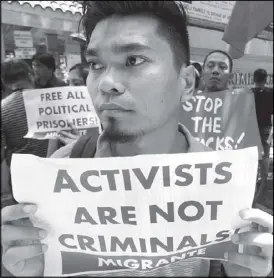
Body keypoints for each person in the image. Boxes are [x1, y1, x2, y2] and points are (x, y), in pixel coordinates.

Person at [1, 2, 272, 277]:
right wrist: (28, 270)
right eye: (95, 64)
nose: (106, 83)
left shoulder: (223, 183)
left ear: (187, 82)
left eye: (133, 60)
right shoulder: (61, 169)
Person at [1, 59, 49, 196]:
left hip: (21, 176)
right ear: (30, 75)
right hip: (51, 170)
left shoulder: (3, 108)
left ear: (4, 81)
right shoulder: (51, 101)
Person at [252, 69, 273, 202]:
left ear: (254, 79)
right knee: (264, 156)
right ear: (266, 80)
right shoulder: (271, 93)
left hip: (251, 128)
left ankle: (253, 183)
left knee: (252, 156)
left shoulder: (248, 94)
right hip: (266, 128)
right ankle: (264, 183)